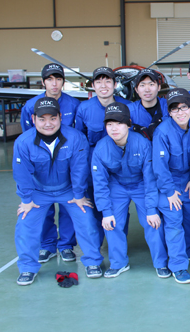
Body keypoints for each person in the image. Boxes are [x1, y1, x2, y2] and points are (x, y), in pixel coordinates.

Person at [13, 97, 103, 285]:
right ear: (33, 119)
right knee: (25, 223)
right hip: (38, 191)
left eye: (52, 118)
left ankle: (93, 261)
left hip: (69, 189)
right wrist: (26, 199)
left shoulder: (75, 138)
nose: (48, 124)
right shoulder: (23, 142)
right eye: (42, 119)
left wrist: (79, 195)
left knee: (87, 219)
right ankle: (27, 267)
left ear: (60, 117)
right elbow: (21, 173)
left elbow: (80, 169)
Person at [91, 103, 168, 278]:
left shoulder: (143, 144)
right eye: (109, 124)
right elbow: (100, 183)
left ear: (129, 124)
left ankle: (161, 263)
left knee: (153, 222)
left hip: (140, 184)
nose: (114, 128)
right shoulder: (101, 149)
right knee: (112, 223)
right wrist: (106, 212)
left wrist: (151, 209)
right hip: (117, 185)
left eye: (119, 123)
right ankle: (118, 263)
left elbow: (150, 179)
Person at [20, 63, 81, 264]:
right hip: (41, 165)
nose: (54, 84)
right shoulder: (30, 106)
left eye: (58, 79)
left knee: (68, 206)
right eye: (50, 79)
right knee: (43, 206)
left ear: (63, 81)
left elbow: (79, 135)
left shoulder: (74, 104)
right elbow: (28, 137)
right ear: (43, 81)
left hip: (66, 163)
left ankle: (66, 245)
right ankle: (47, 245)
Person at [152, 89, 190, 283]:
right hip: (170, 181)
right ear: (169, 113)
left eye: (184, 108)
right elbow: (160, 167)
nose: (180, 113)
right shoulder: (163, 132)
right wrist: (169, 192)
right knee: (174, 221)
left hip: (189, 180)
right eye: (175, 109)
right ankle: (178, 266)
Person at [75, 67, 132, 245]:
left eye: (108, 81)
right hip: (95, 167)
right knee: (95, 206)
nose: (103, 86)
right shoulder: (84, 108)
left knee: (119, 207)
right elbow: (79, 141)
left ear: (115, 84)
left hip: (121, 167)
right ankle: (97, 243)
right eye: (99, 82)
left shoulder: (127, 106)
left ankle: (118, 243)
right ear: (93, 86)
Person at [129, 68, 169, 140]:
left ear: (159, 87)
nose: (147, 90)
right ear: (136, 89)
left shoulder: (169, 106)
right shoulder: (129, 111)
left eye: (151, 84)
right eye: (142, 85)